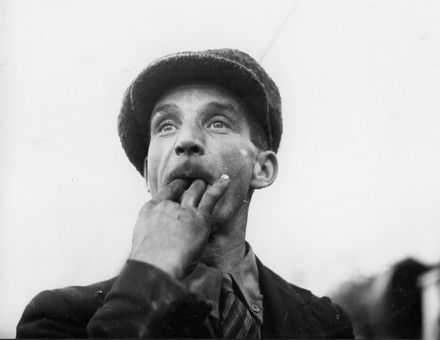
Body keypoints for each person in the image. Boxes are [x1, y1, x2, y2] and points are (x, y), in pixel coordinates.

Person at [16, 48, 354, 338]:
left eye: (218, 122)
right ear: (150, 172)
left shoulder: (325, 323)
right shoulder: (59, 318)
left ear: (262, 169)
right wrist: (150, 273)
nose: (185, 140)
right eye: (166, 126)